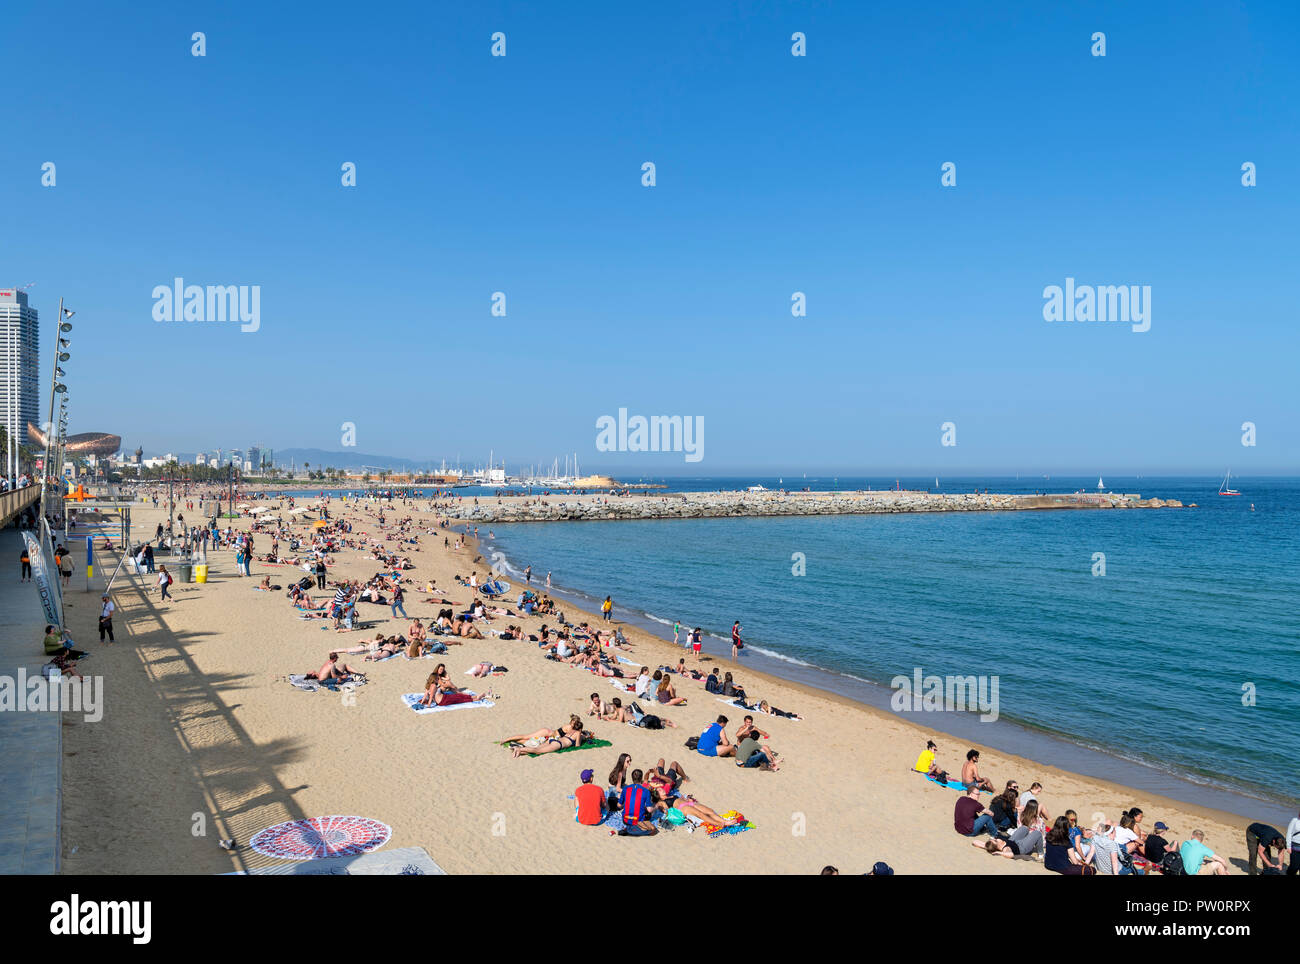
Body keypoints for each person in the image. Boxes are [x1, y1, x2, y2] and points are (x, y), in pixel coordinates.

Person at [618, 770, 657, 836]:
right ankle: (634, 830)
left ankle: (628, 829)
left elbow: (619, 805)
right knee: (652, 824)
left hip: (625, 820)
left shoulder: (625, 789)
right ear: (641, 778)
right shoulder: (646, 791)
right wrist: (656, 807)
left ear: (632, 778)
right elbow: (649, 810)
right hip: (638, 820)